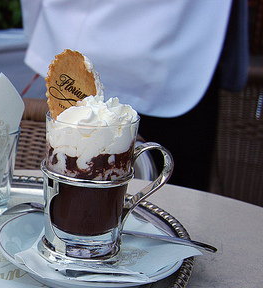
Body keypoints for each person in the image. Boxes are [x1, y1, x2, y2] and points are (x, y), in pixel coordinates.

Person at [22, 0, 249, 190]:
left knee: (176, 204)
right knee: (69, 191)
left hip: (185, 62)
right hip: (84, 63)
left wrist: (40, 38)